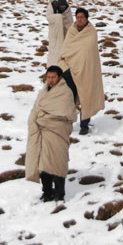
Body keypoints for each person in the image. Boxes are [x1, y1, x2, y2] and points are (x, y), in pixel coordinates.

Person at [25, 65, 77, 202]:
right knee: (43, 164)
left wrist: (42, 118)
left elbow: (66, 112)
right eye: (48, 77)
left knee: (58, 162)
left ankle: (60, 193)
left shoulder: (66, 92)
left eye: (53, 77)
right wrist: (35, 120)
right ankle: (47, 191)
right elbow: (36, 108)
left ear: (59, 77)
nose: (50, 80)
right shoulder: (43, 92)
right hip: (41, 131)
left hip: (57, 131)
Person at [58, 7, 105, 135]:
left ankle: (84, 124)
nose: (79, 20)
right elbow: (65, 50)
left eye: (82, 17)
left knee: (86, 97)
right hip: (71, 70)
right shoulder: (72, 31)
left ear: (86, 18)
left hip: (86, 70)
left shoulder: (91, 32)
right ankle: (67, 123)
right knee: (69, 97)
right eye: (77, 17)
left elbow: (88, 52)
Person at [46, 0, 73, 67]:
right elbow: (49, 17)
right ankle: (53, 66)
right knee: (54, 50)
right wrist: (58, 17)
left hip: (65, 35)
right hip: (55, 34)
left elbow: (69, 22)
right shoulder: (53, 7)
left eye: (64, 6)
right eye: (61, 6)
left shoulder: (67, 10)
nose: (63, 7)